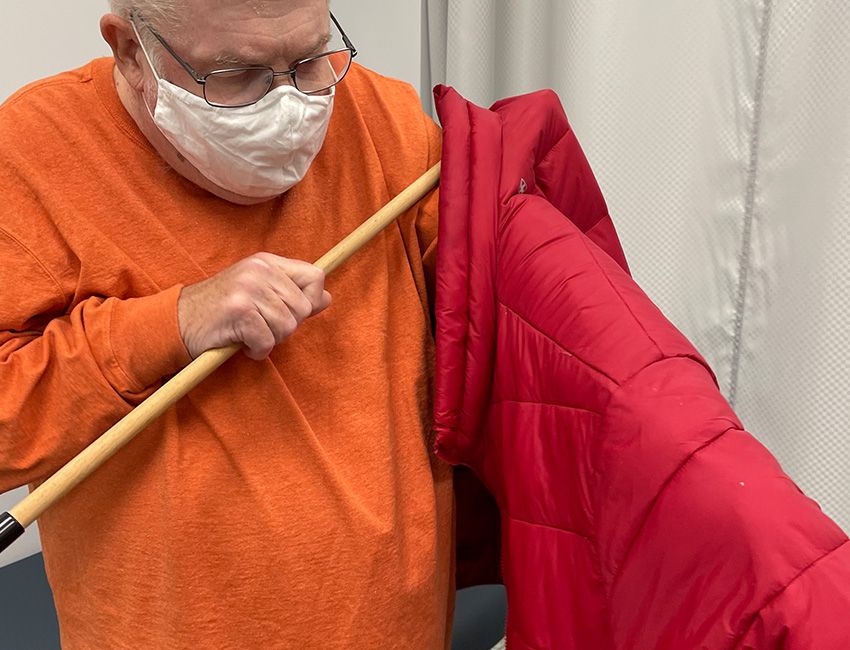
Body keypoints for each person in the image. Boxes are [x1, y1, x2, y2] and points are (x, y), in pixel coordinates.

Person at [0, 1, 452, 647]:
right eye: (235, 75)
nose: (291, 105)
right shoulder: (32, 152)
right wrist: (175, 322)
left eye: (307, 57)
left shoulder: (388, 121)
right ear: (131, 50)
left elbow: (506, 331)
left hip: (394, 623)